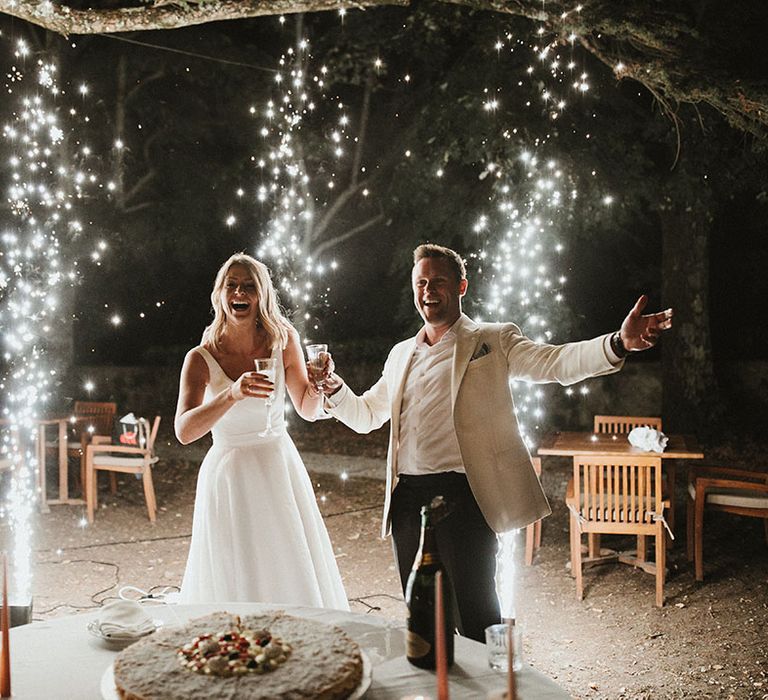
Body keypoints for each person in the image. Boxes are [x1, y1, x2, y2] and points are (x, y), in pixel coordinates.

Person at [317, 243, 673, 641]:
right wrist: (334, 388)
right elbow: (367, 416)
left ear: (461, 286)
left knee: (477, 616)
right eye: (421, 282)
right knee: (423, 618)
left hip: (464, 496)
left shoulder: (492, 339)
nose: (428, 290)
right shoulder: (400, 354)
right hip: (406, 502)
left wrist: (618, 344)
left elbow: (555, 362)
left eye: (438, 281)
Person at [175, 252, 348, 610]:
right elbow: (184, 431)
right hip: (229, 473)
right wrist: (231, 394)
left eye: (249, 286)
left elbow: (307, 409)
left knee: (286, 562)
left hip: (277, 464)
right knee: (236, 569)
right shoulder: (200, 358)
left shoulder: (283, 339)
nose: (240, 292)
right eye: (232, 285)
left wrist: (318, 384)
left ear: (262, 295)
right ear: (220, 294)